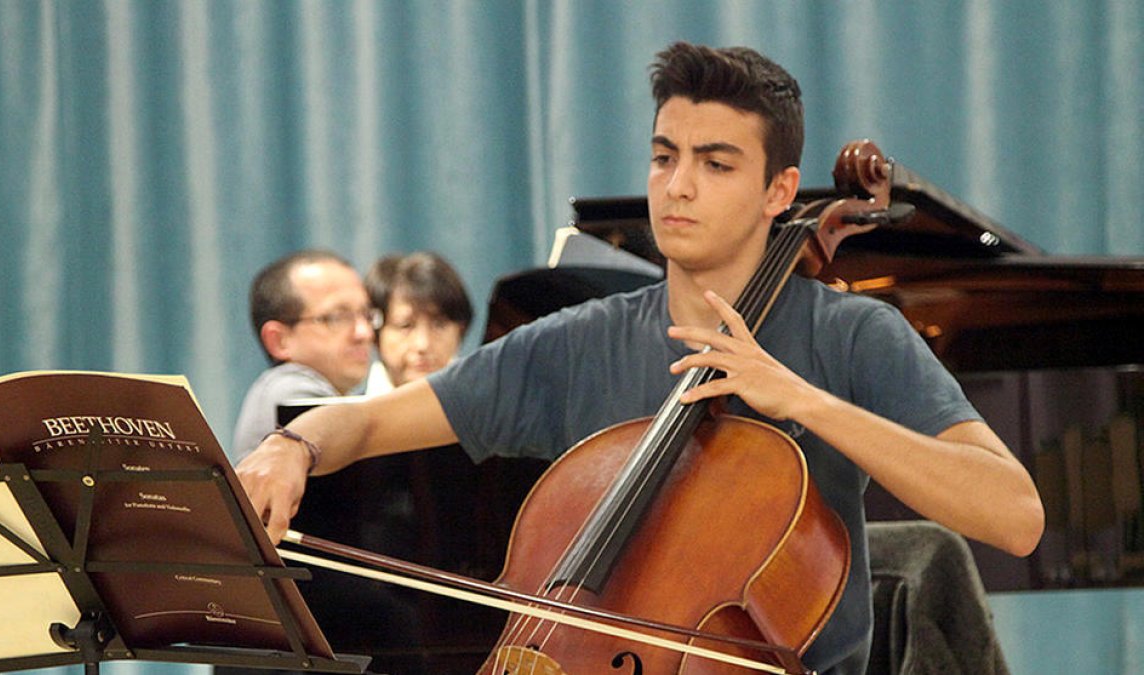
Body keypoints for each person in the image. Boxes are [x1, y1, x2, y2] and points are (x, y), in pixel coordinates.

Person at [237, 42, 1044, 673]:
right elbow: (366, 421)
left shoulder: (851, 337)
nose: (677, 186)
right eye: (665, 156)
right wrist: (292, 445)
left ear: (779, 190)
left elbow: (1014, 515)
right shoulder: (578, 342)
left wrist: (804, 400)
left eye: (715, 163)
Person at [229, 249, 376, 464]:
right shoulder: (290, 392)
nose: (364, 333)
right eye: (337, 317)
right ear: (279, 340)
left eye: (366, 315)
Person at [362, 251, 474, 394]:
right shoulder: (350, 413)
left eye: (439, 325)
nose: (423, 344)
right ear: (375, 334)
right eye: (405, 326)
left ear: (461, 329)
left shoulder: (486, 412)